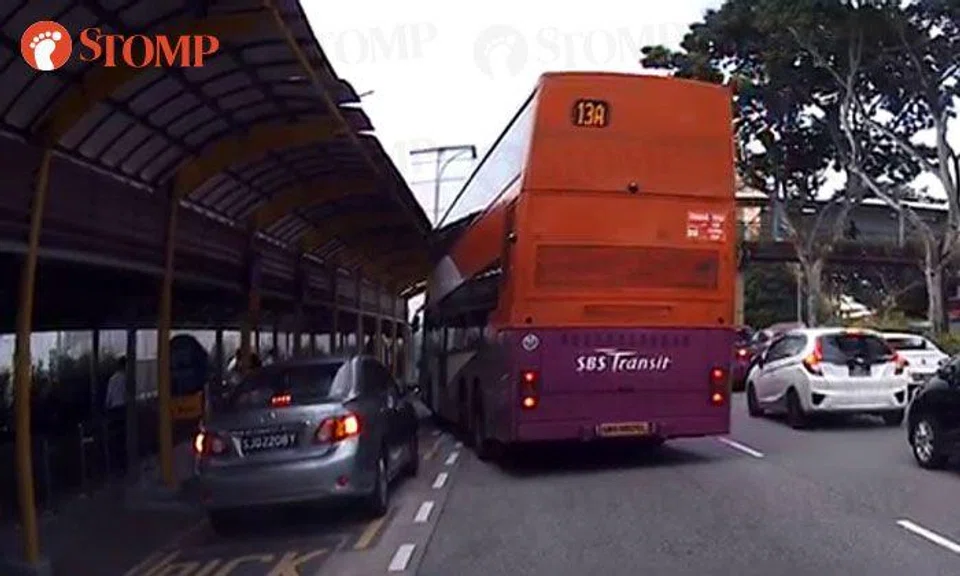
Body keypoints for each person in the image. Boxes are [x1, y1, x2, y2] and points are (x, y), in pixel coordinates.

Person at [104, 356, 127, 472]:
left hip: (113, 409)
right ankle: (123, 464)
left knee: (115, 437)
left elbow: (108, 397)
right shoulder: (126, 378)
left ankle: (116, 464)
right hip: (123, 408)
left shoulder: (112, 379)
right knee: (123, 436)